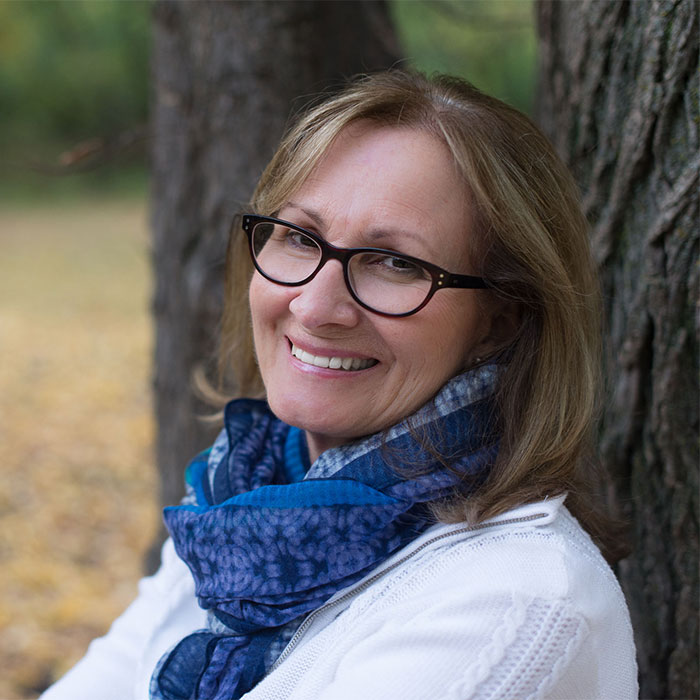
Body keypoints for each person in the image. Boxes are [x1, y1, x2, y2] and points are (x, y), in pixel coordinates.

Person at [40, 70, 638, 700]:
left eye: (397, 263)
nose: (316, 306)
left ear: (501, 319)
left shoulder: (510, 606)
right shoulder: (246, 502)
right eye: (300, 238)